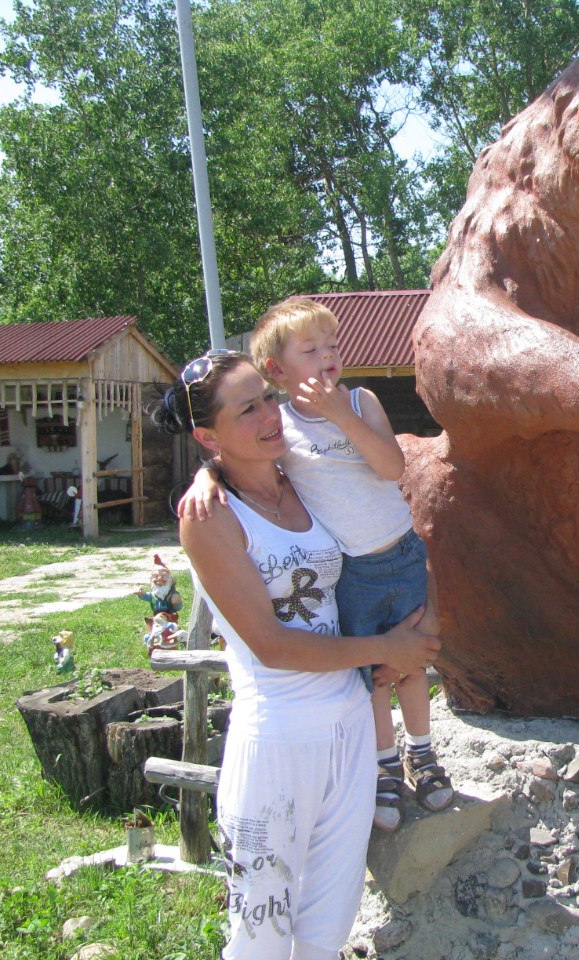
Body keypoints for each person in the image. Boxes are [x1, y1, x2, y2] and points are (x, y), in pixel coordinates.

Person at [155, 349, 439, 960]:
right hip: (280, 740)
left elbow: (389, 523)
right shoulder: (211, 516)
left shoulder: (302, 476)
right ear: (207, 437)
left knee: (326, 927)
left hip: (352, 726)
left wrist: (412, 627)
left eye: (267, 397)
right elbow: (271, 645)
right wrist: (385, 647)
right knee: (260, 932)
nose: (270, 415)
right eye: (247, 409)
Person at [179, 297, 454, 831]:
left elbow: (391, 466)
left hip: (401, 552)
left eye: (332, 344)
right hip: (353, 571)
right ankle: (386, 766)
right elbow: (236, 458)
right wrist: (205, 476)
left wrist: (341, 416)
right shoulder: (280, 429)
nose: (328, 355)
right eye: (311, 349)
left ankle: (423, 752)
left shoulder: (361, 401)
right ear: (277, 370)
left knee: (413, 663)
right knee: (375, 677)